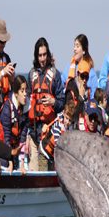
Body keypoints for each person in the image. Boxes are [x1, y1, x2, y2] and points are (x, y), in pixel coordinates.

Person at [27, 37, 65, 171]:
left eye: (44, 55)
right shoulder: (31, 75)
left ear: (48, 55)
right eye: (39, 55)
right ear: (36, 56)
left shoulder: (55, 75)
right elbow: (27, 107)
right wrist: (26, 135)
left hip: (49, 134)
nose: (42, 59)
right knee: (32, 175)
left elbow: (62, 103)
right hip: (33, 133)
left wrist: (53, 102)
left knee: (45, 172)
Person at [0, 75, 29, 173]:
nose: (25, 94)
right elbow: (6, 138)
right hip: (2, 148)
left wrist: (22, 165)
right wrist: (10, 162)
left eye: (26, 90)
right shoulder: (8, 109)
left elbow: (23, 137)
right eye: (22, 91)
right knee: (6, 167)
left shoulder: (26, 108)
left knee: (18, 169)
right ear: (15, 94)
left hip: (14, 148)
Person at [39, 98, 80, 167]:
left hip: (52, 156)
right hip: (44, 152)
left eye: (70, 120)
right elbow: (57, 145)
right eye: (66, 118)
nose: (67, 122)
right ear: (64, 114)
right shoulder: (58, 126)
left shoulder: (70, 127)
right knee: (44, 176)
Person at [66, 59, 92, 129]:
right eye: (82, 76)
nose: (84, 80)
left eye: (86, 77)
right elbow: (72, 115)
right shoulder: (71, 88)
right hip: (72, 127)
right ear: (77, 74)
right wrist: (80, 97)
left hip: (83, 127)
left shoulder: (87, 90)